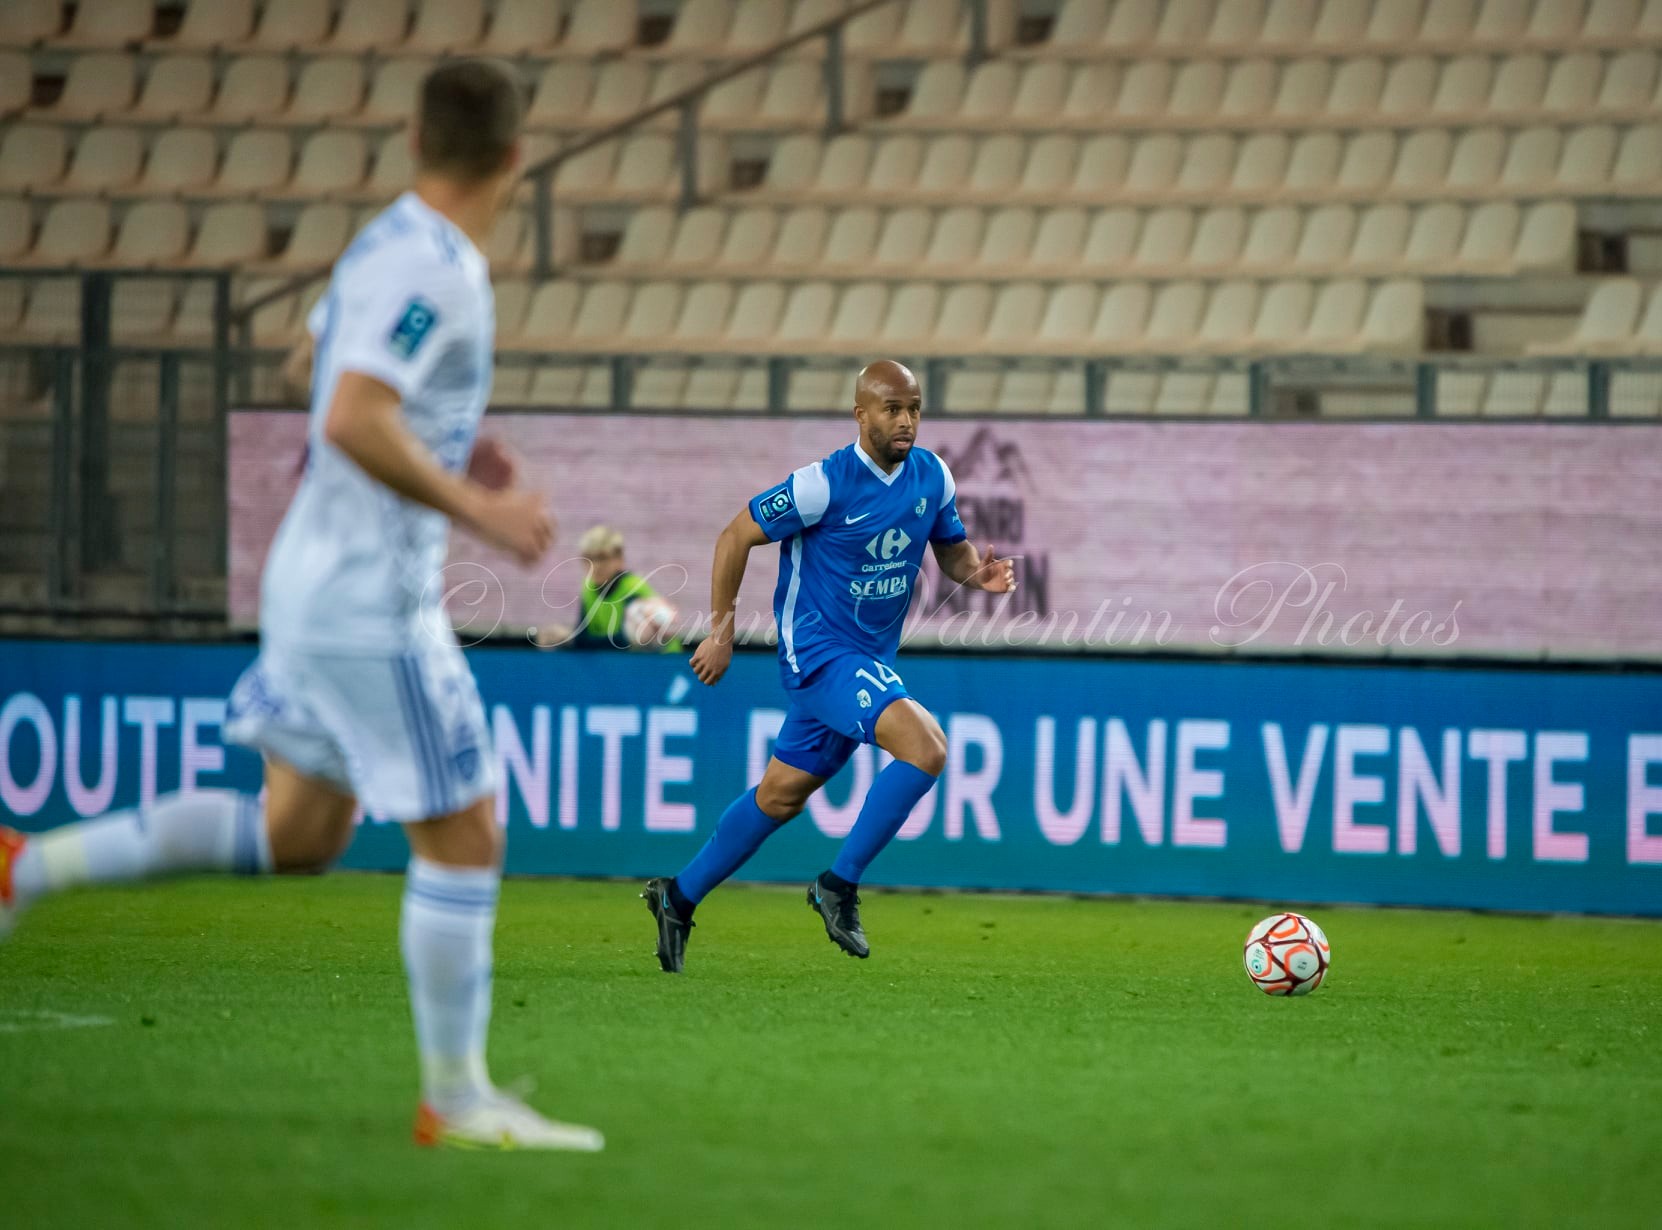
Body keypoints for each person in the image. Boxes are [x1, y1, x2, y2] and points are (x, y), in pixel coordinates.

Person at [0, 61, 602, 1152]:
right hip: (372, 599)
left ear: (415, 138)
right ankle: (457, 1100)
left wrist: (432, 441)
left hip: (309, 577)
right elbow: (352, 417)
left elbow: (313, 358)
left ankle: (22, 868)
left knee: (299, 833)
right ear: (517, 159)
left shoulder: (379, 241)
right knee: (467, 829)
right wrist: (481, 506)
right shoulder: (447, 271)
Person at [641, 359, 1015, 973]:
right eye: (892, 409)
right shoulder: (823, 484)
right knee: (927, 747)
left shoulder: (932, 475)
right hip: (818, 653)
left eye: (915, 408)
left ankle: (677, 897)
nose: (906, 421)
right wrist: (721, 632)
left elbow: (950, 550)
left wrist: (977, 572)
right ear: (860, 414)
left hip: (865, 659)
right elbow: (735, 536)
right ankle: (838, 885)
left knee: (781, 796)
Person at [537, 525, 682, 651]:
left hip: (663, 663)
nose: (596, 565)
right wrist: (563, 638)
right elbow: (584, 638)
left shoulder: (633, 588)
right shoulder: (589, 588)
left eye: (602, 558)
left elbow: (623, 642)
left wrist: (569, 638)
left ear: (619, 559)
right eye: (589, 558)